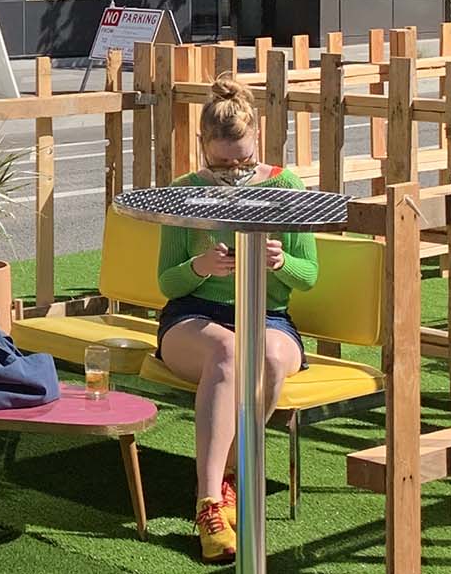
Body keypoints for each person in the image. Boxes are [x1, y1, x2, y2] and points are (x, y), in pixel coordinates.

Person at [155, 73, 318, 563]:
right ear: (204, 147)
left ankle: (227, 475)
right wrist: (199, 266)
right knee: (227, 351)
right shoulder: (185, 190)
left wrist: (278, 262)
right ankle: (209, 501)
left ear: (257, 144)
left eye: (243, 160)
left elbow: (308, 275)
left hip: (269, 314)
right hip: (195, 315)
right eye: (222, 162)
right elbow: (166, 282)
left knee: (266, 356)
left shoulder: (286, 185)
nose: (233, 170)